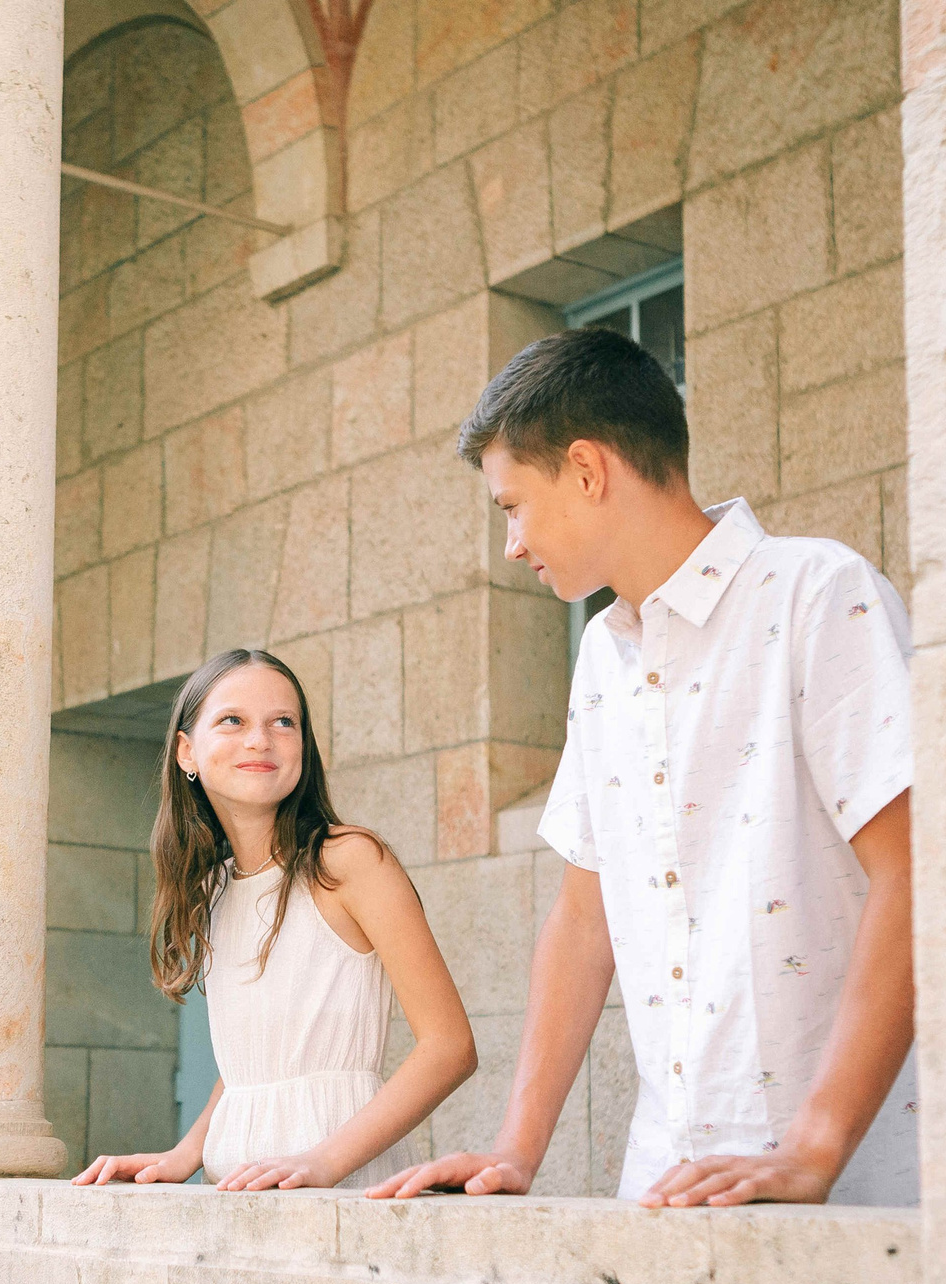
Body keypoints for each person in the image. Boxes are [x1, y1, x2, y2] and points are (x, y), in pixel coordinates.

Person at [371, 325, 915, 1208]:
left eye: (513, 505)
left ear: (587, 470)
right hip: (662, 1183)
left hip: (846, 1190)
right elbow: (583, 919)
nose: (511, 544)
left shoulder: (818, 592)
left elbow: (917, 870)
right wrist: (515, 1151)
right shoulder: (601, 656)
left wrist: (816, 1146)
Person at [73, 649, 477, 1191]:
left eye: (283, 722)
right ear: (187, 751)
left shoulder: (348, 861)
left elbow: (450, 1048)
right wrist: (186, 1153)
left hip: (340, 1182)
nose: (260, 740)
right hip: (236, 1186)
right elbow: (253, 1063)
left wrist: (323, 1162)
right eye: (232, 720)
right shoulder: (212, 888)